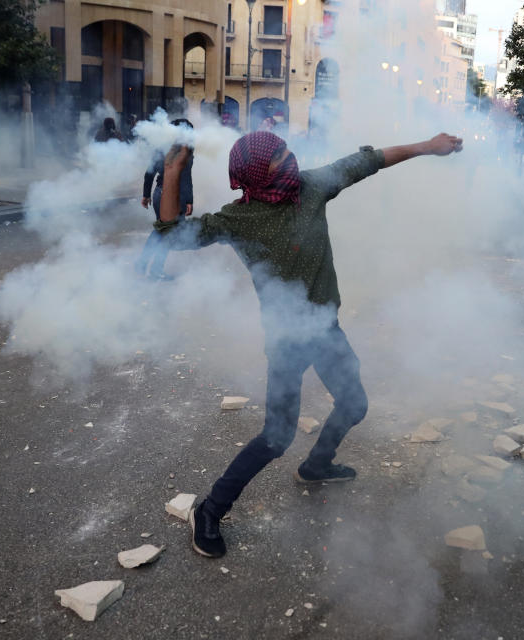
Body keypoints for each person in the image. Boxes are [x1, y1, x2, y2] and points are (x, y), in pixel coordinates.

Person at [155, 130, 463, 558]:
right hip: (287, 341)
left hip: (326, 328)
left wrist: (426, 146)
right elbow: (172, 234)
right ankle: (208, 511)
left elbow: (369, 159)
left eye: (285, 149)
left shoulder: (311, 188)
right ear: (258, 174)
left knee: (354, 403)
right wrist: (172, 172)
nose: (290, 157)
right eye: (279, 156)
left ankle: (317, 464)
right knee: (276, 437)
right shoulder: (238, 219)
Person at [138, 118, 195, 280]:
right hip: (170, 196)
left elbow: (149, 173)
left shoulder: (163, 147)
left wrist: (146, 194)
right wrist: (187, 200)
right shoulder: (184, 150)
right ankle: (155, 270)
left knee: (161, 231)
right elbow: (185, 177)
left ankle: (143, 264)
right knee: (168, 234)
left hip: (160, 193)